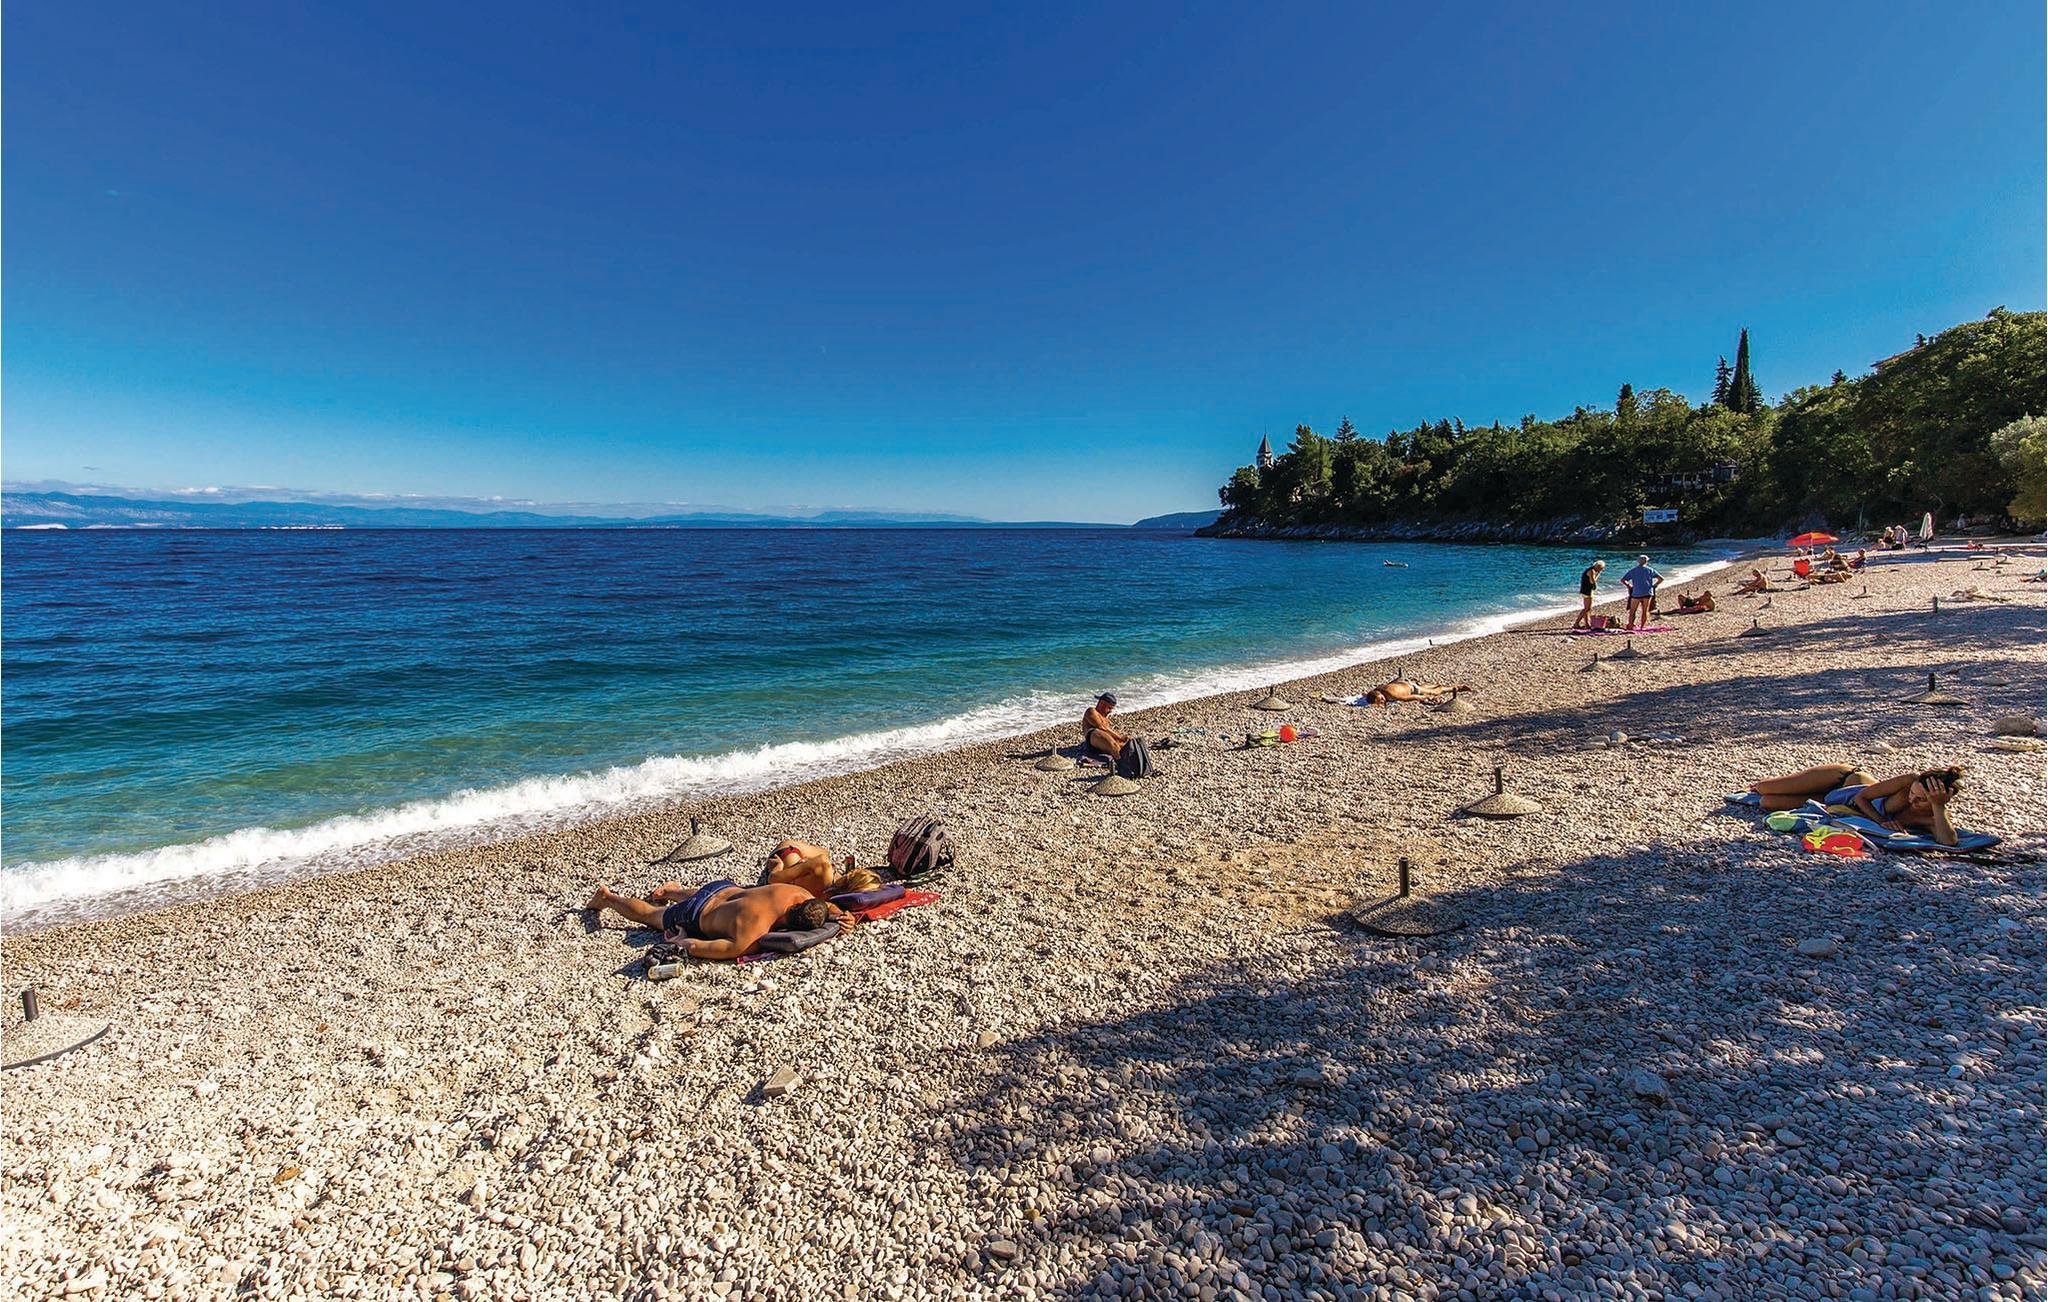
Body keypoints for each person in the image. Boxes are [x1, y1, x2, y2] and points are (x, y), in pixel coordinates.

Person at [584, 878, 855, 959]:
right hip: (697, 914)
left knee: (705, 895)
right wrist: (683, 941)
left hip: (721, 888)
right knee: (652, 916)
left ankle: (670, 891)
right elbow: (714, 948)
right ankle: (607, 898)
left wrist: (843, 916)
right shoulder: (754, 930)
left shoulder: (797, 893)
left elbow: (827, 907)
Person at [1743, 763, 1964, 846]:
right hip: (1844, 781)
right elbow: (1862, 797)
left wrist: (1938, 807)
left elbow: (1949, 841)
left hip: (1833, 804)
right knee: (1763, 788)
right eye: (1913, 794)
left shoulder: (1932, 817)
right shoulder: (1908, 781)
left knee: (1767, 802)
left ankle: (1805, 792)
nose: (1912, 801)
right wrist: (1882, 821)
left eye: (1921, 800)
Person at [1619, 555, 1662, 629]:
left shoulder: (1633, 570)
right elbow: (1661, 579)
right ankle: (1642, 626)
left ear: (1638, 561)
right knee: (1645, 610)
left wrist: (1629, 585)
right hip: (1647, 592)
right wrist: (1655, 585)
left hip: (1636, 593)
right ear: (1647, 561)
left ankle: (1630, 625)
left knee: (1632, 611)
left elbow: (1623, 580)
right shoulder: (1650, 570)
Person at [1083, 692, 1130, 760]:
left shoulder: (1105, 718)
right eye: (1109, 708)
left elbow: (1107, 732)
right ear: (1101, 703)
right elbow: (1101, 727)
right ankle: (1122, 763)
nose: (1110, 711)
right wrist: (1120, 737)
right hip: (1092, 738)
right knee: (1113, 745)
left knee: (1125, 745)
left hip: (1101, 741)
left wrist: (1122, 740)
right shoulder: (1091, 711)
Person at [1363, 679, 1472, 705]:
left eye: (1381, 699)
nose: (1383, 701)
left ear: (1379, 694)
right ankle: (1437, 685)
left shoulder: (1392, 695)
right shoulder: (1377, 689)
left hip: (1411, 688)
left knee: (1435, 692)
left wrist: (1425, 697)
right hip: (1402, 682)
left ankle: (1457, 688)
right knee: (1424, 687)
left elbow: (1411, 697)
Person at [1573, 560, 1607, 630]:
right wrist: (1598, 574)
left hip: (1585, 590)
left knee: (1587, 608)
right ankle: (1576, 623)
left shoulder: (1590, 569)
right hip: (1587, 591)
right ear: (1598, 567)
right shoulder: (1591, 571)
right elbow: (1592, 581)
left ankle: (1587, 624)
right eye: (1601, 568)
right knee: (1587, 608)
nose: (1601, 570)